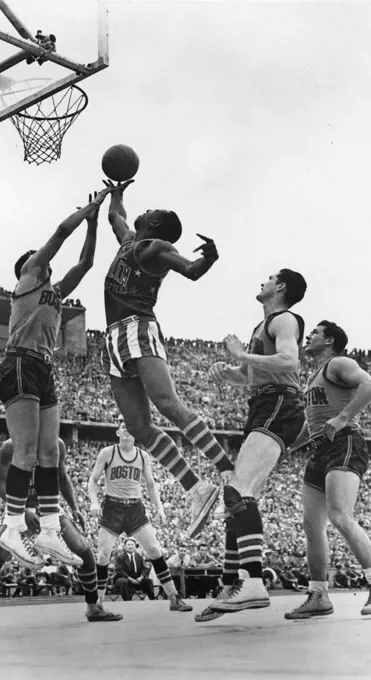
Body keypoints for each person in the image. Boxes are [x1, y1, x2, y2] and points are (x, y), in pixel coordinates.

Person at [102, 180, 233, 537]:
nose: (144, 211)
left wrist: (209, 258)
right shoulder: (130, 241)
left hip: (137, 328)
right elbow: (116, 216)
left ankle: (226, 468)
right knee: (139, 427)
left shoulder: (156, 247)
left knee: (167, 403)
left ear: (156, 224)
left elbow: (190, 270)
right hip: (114, 338)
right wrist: (116, 190)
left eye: (151, 212)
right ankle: (197, 488)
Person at [0, 189, 111, 567]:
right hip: (20, 362)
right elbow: (61, 232)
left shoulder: (56, 293)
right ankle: (12, 528)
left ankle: (48, 530)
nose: (44, 262)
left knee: (50, 452)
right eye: (37, 259)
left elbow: (87, 262)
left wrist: (93, 224)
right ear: (28, 268)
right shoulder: (28, 281)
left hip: (43, 367)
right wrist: (86, 210)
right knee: (26, 452)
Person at [201, 269, 307, 619]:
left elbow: (289, 361)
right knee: (239, 498)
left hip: (279, 403)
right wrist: (226, 371)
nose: (264, 279)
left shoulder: (284, 319)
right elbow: (250, 378)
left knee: (237, 491)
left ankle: (254, 583)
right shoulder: (260, 328)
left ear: (282, 288)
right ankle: (232, 583)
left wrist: (240, 355)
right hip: (265, 402)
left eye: (271, 277)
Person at [0, 437, 122, 627]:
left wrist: (74, 507)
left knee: (82, 549)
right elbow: (1, 485)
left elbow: (62, 478)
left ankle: (94, 606)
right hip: (20, 508)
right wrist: (23, 510)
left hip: (48, 508)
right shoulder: (10, 446)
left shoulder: (56, 444)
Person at [284, 321, 371, 620]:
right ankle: (319, 594)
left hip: (345, 442)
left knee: (339, 516)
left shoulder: (340, 363)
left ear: (330, 340)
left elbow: (369, 383)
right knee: (311, 526)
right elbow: (314, 422)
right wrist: (289, 447)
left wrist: (345, 416)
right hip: (320, 448)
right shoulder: (314, 377)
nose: (308, 336)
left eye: (315, 333)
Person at [88, 416, 193, 612]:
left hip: (135, 508)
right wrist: (94, 502)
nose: (126, 429)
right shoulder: (108, 453)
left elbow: (151, 484)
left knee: (154, 550)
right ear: (117, 432)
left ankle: (173, 597)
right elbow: (92, 481)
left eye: (130, 427)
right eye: (122, 427)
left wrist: (159, 508)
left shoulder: (142, 456)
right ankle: (97, 604)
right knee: (102, 556)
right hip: (113, 507)